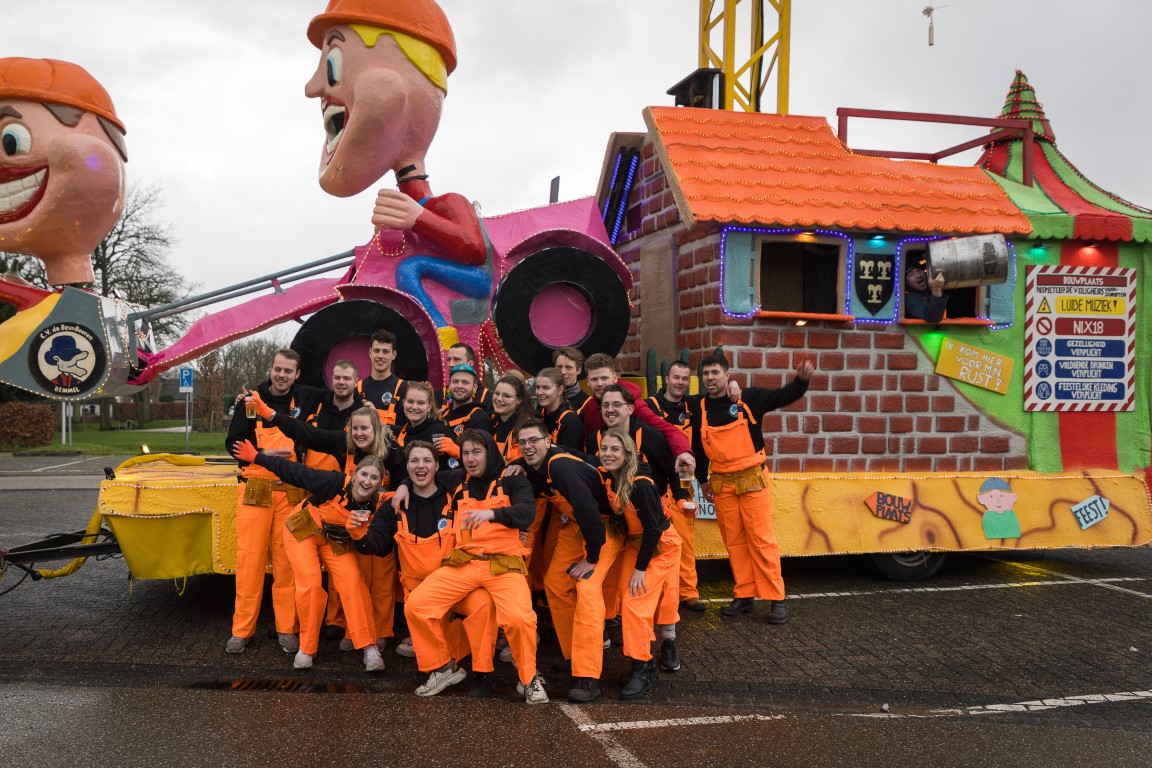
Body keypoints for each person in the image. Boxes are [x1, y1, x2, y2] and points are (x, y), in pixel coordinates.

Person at [305, 0, 490, 339]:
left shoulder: (449, 202)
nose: (312, 88)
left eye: (332, 66)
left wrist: (417, 218)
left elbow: (474, 248)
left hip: (480, 281)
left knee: (410, 268)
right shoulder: (410, 207)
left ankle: (441, 336)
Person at [246, 392, 399, 654]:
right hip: (337, 526)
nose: (360, 434)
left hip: (379, 519)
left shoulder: (393, 452)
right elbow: (307, 437)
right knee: (349, 579)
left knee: (381, 580)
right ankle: (339, 636)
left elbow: (412, 475)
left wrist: (401, 491)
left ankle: (377, 635)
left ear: (377, 429)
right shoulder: (341, 454)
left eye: (366, 429)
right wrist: (268, 415)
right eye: (356, 429)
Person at [403, 430, 548, 703]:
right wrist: (402, 485)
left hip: (504, 565)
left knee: (519, 619)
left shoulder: (513, 480)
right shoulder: (459, 479)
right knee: (416, 605)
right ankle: (442, 668)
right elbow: (424, 474)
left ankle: (528, 680)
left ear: (490, 452)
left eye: (476, 452)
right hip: (465, 563)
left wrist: (490, 514)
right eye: (466, 453)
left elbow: (527, 513)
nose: (470, 459)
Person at [351, 441, 498, 694]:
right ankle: (441, 668)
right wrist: (358, 532)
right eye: (414, 461)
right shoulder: (394, 506)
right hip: (419, 591)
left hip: (458, 586)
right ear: (407, 467)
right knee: (416, 607)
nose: (421, 466)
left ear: (437, 466)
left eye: (427, 461)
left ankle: (482, 672)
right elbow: (373, 544)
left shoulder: (456, 498)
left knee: (484, 603)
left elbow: (488, 483)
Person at [229, 441, 387, 674]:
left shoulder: (380, 503)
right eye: (363, 474)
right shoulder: (333, 482)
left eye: (374, 478)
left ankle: (368, 646)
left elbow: (378, 542)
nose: (367, 481)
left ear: (381, 483)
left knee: (353, 581)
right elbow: (294, 471)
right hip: (303, 532)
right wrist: (256, 456)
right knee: (311, 586)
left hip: (336, 539)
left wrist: (360, 533)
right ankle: (307, 648)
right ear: (354, 475)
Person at [690, 352, 815, 624]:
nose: (710, 378)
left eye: (715, 372)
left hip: (752, 479)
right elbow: (697, 447)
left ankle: (776, 598)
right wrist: (702, 479)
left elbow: (783, 396)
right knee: (734, 542)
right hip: (722, 483)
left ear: (727, 375)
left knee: (761, 539)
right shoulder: (698, 407)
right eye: (706, 373)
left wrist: (801, 381)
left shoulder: (749, 399)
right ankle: (744, 595)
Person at [508, 418, 619, 703]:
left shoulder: (560, 467)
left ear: (549, 441)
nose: (528, 447)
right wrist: (517, 464)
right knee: (555, 584)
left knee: (587, 589)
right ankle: (574, 655)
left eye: (534, 440)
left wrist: (592, 558)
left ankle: (588, 675)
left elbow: (589, 511)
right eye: (523, 442)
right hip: (577, 526)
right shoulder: (533, 465)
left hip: (603, 528)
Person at [223, 348, 324, 655]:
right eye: (278, 369)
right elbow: (232, 443)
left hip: (290, 493)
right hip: (256, 489)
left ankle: (287, 628)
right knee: (249, 562)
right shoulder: (251, 401)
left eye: (288, 371)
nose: (281, 375)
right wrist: (262, 455)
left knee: (288, 565)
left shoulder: (306, 398)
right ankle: (241, 630)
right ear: (271, 369)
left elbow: (340, 395)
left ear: (297, 375)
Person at [597, 428, 681, 700]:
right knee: (630, 602)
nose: (608, 454)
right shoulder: (613, 477)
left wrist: (640, 569)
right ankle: (644, 662)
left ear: (628, 454)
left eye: (615, 449)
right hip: (638, 544)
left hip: (659, 547)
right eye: (604, 449)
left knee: (635, 605)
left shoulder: (640, 485)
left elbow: (654, 529)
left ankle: (641, 669)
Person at [644, 360, 704, 613]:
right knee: (657, 542)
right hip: (655, 483)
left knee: (686, 540)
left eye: (684, 378)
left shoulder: (693, 408)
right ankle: (660, 594)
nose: (680, 382)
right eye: (675, 377)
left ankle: (688, 592)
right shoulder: (649, 406)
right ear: (665, 379)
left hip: (683, 482)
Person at [580, 353, 696, 477]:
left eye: (604, 378)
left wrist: (684, 452)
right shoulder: (589, 408)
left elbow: (666, 429)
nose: (599, 383)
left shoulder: (637, 409)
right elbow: (588, 447)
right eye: (594, 379)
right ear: (588, 381)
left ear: (614, 378)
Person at [389, 381, 452, 484]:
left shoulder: (439, 432)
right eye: (410, 401)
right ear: (403, 402)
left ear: (429, 406)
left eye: (421, 403)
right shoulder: (405, 431)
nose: (414, 407)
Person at [358, 330, 409, 427]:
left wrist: (376, 419)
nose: (380, 356)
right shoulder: (358, 389)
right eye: (376, 351)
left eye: (385, 351)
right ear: (370, 353)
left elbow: (409, 430)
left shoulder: (404, 388)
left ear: (394, 355)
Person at [534, 367, 586, 451]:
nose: (540, 392)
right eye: (537, 387)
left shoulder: (570, 421)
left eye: (546, 388)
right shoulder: (539, 412)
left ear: (560, 390)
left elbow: (570, 456)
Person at [489, 373, 534, 462]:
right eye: (497, 393)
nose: (499, 399)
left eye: (507, 396)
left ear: (519, 399)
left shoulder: (529, 427)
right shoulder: (489, 421)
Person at [443, 343, 493, 410]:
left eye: (456, 359)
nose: (450, 364)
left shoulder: (486, 396)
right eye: (449, 360)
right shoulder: (440, 394)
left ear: (470, 364)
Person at [552, 347, 590, 412]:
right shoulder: (547, 398)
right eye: (559, 367)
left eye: (568, 367)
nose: (563, 372)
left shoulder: (587, 403)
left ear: (579, 370)